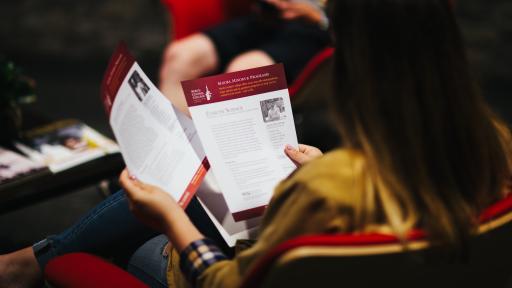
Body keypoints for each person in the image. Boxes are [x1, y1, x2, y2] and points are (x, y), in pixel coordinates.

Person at [1, 0, 512, 287]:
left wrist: (171, 221)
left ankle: (33, 262)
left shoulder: (329, 187)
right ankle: (33, 259)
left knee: (161, 213)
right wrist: (321, 166)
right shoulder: (495, 142)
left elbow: (228, 283)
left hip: (219, 274)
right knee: (204, 189)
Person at [159, 0, 330, 116]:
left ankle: (214, 159)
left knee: (243, 74)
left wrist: (318, 14)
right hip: (265, 18)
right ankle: (178, 149)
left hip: (314, 27)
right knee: (181, 56)